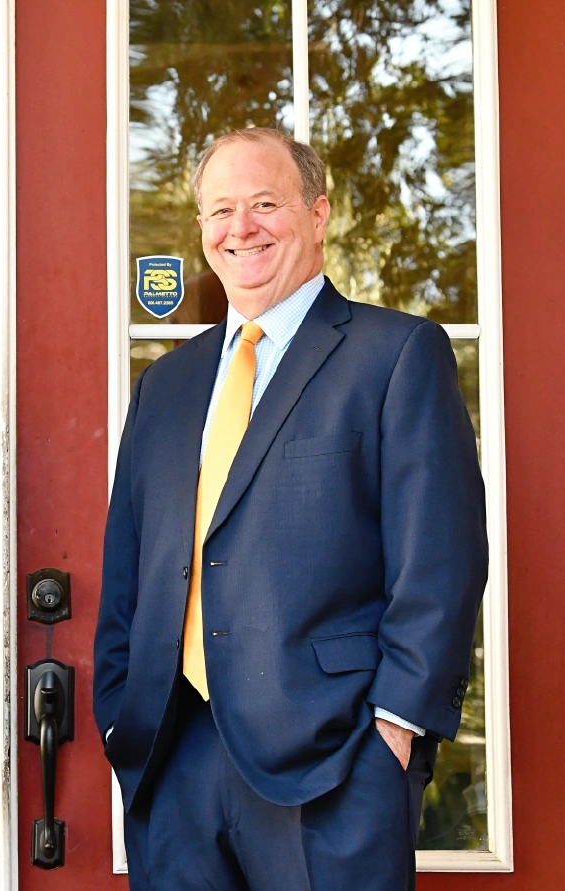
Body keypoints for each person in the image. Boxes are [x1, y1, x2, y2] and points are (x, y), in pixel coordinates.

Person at [93, 128, 487, 890]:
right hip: (172, 757)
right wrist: (120, 710)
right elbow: (128, 569)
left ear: (317, 213)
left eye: (265, 203)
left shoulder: (395, 353)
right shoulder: (165, 387)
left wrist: (394, 730)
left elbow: (439, 562)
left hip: (334, 762)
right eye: (220, 210)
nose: (240, 228)